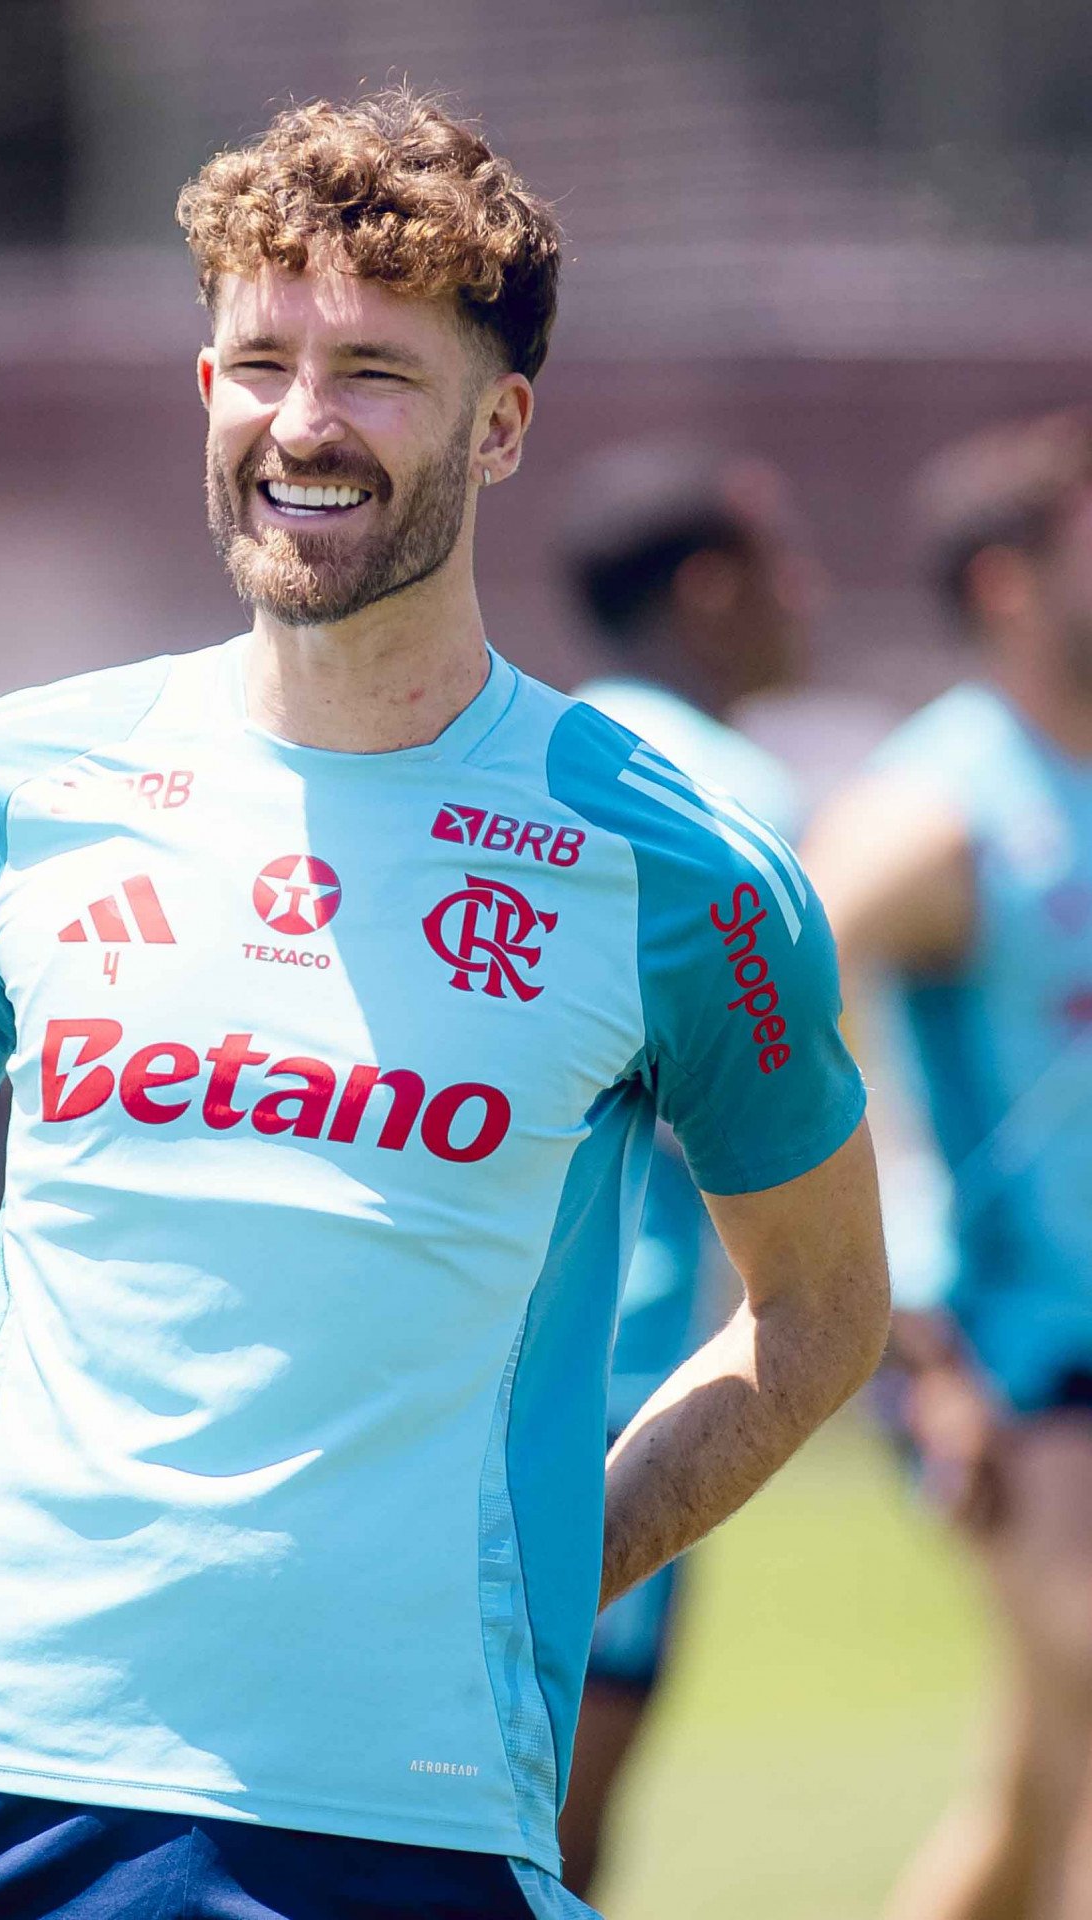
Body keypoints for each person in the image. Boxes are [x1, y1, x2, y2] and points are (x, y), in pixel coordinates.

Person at [0, 88, 888, 1920]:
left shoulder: (678, 871)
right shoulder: (13, 780)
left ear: (502, 422)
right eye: (260, 362)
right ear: (205, 388)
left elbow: (825, 1312)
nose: (303, 422)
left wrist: (555, 1570)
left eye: (376, 371)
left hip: (412, 1813)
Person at [802, 411, 1092, 1920]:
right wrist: (906, 1319)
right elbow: (772, 1022)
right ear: (1009, 581)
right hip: (1024, 1373)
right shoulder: (942, 807)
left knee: (1031, 1806)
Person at [553, 442, 815, 1897]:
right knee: (552, 1844)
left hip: (480, 1357)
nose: (807, 596)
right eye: (784, 566)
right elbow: (788, 1131)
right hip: (629, 1384)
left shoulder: (536, 758)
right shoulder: (734, 798)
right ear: (711, 590)